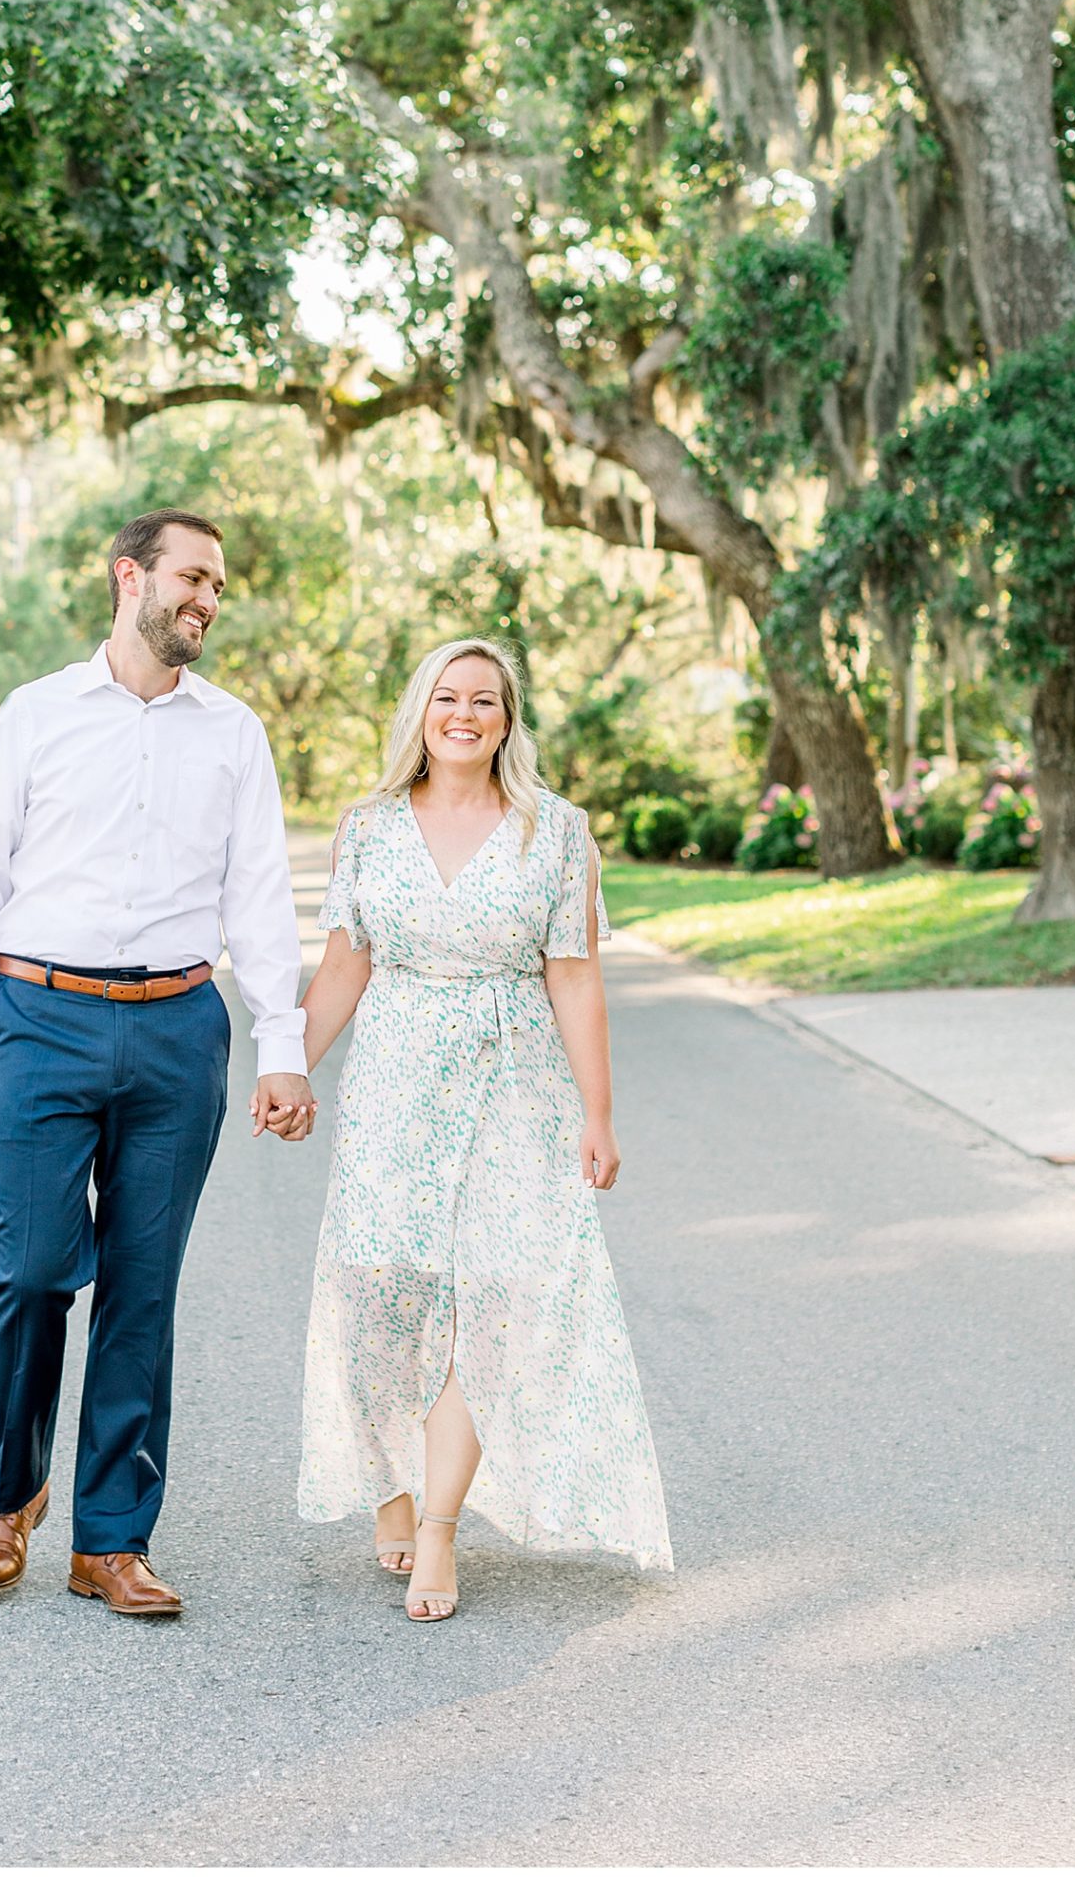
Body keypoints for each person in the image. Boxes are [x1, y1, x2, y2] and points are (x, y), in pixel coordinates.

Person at [0, 508, 315, 1617]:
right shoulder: (36, 715)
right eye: (192, 576)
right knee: (35, 1271)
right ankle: (13, 1493)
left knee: (142, 1287)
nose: (207, 598)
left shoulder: (234, 732)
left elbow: (261, 899)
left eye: (219, 585)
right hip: (38, 1019)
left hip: (180, 1028)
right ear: (128, 576)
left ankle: (112, 1539)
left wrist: (281, 1046)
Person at [269, 636, 673, 1621]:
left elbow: (574, 973)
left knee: (486, 1302)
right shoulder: (365, 828)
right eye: (448, 697)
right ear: (422, 711)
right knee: (378, 1302)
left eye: (485, 701)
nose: (465, 714)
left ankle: (440, 1525)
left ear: (506, 718)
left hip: (514, 1083)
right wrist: (290, 1066)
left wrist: (598, 1113)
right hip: (394, 1082)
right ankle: (394, 1487)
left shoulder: (557, 831)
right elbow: (343, 967)